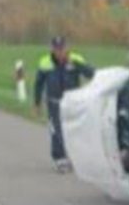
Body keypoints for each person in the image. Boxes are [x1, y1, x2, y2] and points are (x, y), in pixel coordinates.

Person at [33, 36, 93, 173]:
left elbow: (91, 73)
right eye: (56, 49)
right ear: (52, 49)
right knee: (57, 130)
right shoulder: (45, 63)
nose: (59, 52)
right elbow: (38, 84)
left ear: (67, 48)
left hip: (73, 102)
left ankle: (75, 157)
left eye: (62, 48)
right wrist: (37, 103)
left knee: (74, 129)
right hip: (54, 102)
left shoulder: (76, 60)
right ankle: (60, 158)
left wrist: (78, 65)